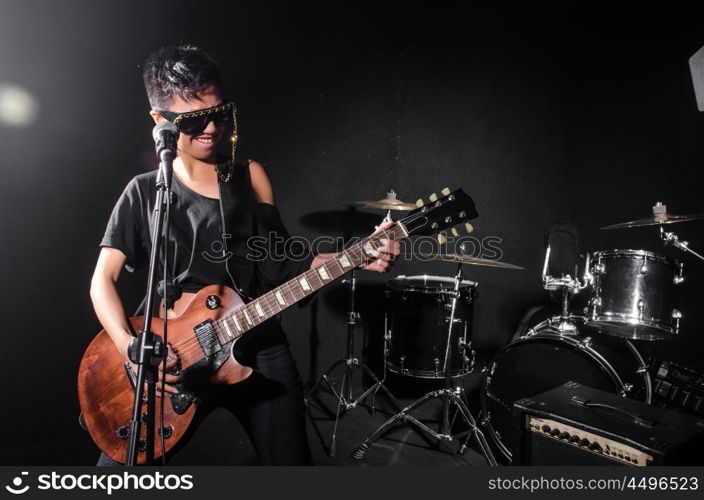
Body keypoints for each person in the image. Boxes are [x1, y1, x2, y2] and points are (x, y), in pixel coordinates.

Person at [89, 44, 400, 465]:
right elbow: (102, 281)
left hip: (257, 343)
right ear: (159, 121)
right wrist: (130, 347)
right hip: (174, 354)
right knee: (117, 474)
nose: (212, 127)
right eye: (195, 119)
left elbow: (284, 264)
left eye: (221, 112)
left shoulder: (249, 176)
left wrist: (357, 255)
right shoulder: (143, 192)